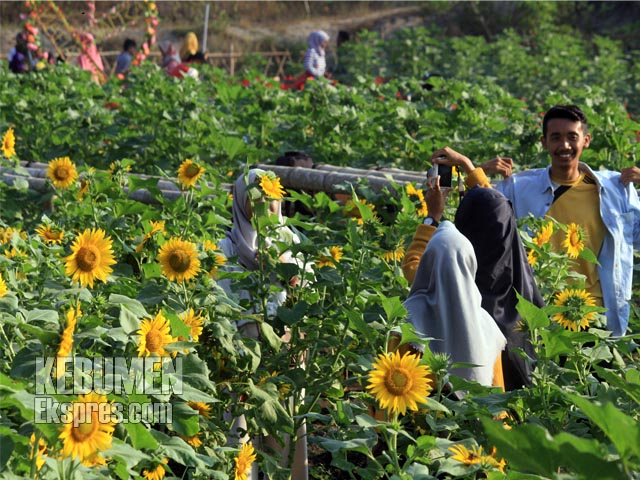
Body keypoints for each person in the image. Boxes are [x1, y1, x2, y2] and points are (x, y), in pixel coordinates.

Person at [432, 104, 640, 338]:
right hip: (537, 313)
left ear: (586, 140)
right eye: (556, 138)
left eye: (572, 137)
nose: (564, 146)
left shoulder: (614, 189)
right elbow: (490, 215)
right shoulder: (521, 186)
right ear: (544, 142)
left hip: (596, 316)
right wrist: (470, 167)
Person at [403, 179, 543, 390]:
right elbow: (496, 210)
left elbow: (415, 266)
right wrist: (471, 170)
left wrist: (432, 218)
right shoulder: (525, 298)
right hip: (495, 416)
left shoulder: (444, 282)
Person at [218, 168, 310, 480]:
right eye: (255, 198)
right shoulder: (226, 250)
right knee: (241, 444)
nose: (264, 205)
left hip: (284, 358)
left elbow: (304, 304)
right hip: (240, 363)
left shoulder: (291, 244)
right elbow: (220, 309)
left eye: (270, 198)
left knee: (283, 437)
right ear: (240, 202)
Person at [403, 220, 507, 389]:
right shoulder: (487, 327)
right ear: (470, 266)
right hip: (472, 413)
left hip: (417, 414)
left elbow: (390, 380)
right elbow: (496, 399)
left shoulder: (408, 316)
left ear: (428, 263)